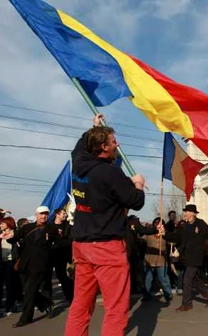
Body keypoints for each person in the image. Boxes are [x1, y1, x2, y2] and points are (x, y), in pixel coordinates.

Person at [64, 114, 148, 336]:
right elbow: (136, 201)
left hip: (82, 247)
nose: (117, 144)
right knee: (116, 309)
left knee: (81, 306)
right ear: (103, 147)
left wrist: (93, 129)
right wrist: (138, 184)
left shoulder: (79, 166)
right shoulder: (110, 173)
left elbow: (77, 150)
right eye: (113, 141)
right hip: (107, 248)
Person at [5, 206, 59, 328]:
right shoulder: (27, 227)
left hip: (41, 264)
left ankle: (25, 318)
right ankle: (45, 304)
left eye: (46, 214)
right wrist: (8, 237)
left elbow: (58, 243)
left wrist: (49, 254)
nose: (43, 216)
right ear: (36, 215)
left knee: (29, 290)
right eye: (41, 214)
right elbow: (15, 238)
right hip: (25, 263)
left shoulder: (52, 228)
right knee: (28, 289)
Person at [163, 204, 208, 311]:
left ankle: (187, 304)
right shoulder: (183, 225)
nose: (185, 213)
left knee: (186, 279)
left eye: (187, 212)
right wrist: (164, 233)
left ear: (193, 214)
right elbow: (176, 237)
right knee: (193, 279)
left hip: (196, 256)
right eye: (185, 212)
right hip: (185, 256)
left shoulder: (201, 224)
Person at [141, 218, 173, 305]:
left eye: (159, 223)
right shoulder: (149, 233)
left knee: (163, 278)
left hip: (161, 259)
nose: (157, 224)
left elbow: (172, 242)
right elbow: (141, 241)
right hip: (149, 259)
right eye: (156, 223)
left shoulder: (165, 233)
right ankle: (146, 295)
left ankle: (168, 295)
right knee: (148, 279)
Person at [50, 208, 74, 303]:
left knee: (63, 275)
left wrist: (58, 243)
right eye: (63, 213)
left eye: (65, 213)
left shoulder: (68, 226)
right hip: (52, 254)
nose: (65, 215)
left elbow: (71, 240)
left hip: (64, 254)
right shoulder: (50, 226)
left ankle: (70, 295)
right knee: (55, 276)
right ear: (57, 214)